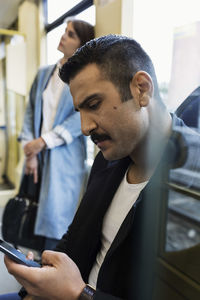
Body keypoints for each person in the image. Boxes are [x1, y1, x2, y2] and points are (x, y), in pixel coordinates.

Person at [2, 34, 195, 299]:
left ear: (141, 89)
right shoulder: (107, 160)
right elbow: (78, 234)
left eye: (94, 105)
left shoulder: (189, 184)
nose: (84, 127)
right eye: (80, 111)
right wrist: (37, 281)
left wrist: (79, 294)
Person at [19, 19, 95, 250]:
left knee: (57, 220)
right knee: (31, 214)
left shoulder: (83, 78)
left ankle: (51, 273)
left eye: (71, 34)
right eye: (64, 31)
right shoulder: (44, 74)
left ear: (82, 44)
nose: (63, 36)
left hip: (64, 159)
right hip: (38, 157)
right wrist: (31, 152)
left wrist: (43, 142)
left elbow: (78, 117)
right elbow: (31, 110)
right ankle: (32, 268)